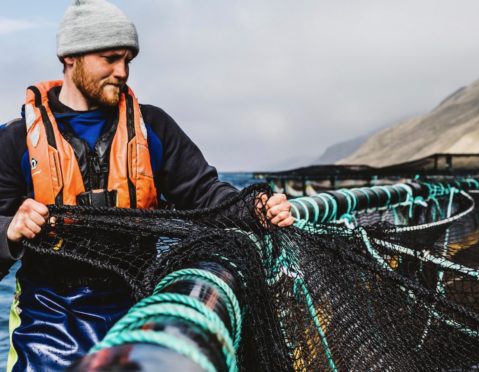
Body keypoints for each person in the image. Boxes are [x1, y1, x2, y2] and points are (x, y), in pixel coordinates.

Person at [0, 0, 294, 370]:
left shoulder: (154, 127)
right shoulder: (15, 141)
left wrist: (255, 209)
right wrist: (10, 230)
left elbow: (207, 194)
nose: (122, 71)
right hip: (47, 321)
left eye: (128, 60)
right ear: (70, 56)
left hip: (138, 306)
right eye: (110, 58)